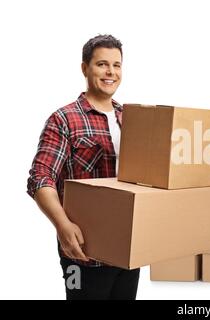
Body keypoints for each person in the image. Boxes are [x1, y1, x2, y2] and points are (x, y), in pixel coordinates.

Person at [26, 34, 140, 300]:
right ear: (84, 68)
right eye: (102, 64)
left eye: (117, 65)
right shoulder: (64, 119)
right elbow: (40, 178)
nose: (111, 72)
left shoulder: (133, 119)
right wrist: (62, 225)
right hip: (82, 253)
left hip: (128, 249)